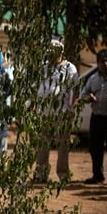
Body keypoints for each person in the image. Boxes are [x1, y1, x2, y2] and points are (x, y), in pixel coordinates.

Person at [34, 39, 79, 182]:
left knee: (63, 145)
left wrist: (72, 109)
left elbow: (75, 89)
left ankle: (63, 174)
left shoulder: (70, 68)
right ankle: (41, 174)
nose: (50, 55)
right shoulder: (44, 68)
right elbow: (37, 88)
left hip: (62, 112)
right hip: (44, 113)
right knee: (42, 144)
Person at [77, 49, 107, 187]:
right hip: (97, 118)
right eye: (102, 61)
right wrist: (88, 98)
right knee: (95, 149)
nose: (106, 64)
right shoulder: (93, 79)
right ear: (97, 63)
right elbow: (83, 95)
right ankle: (97, 176)